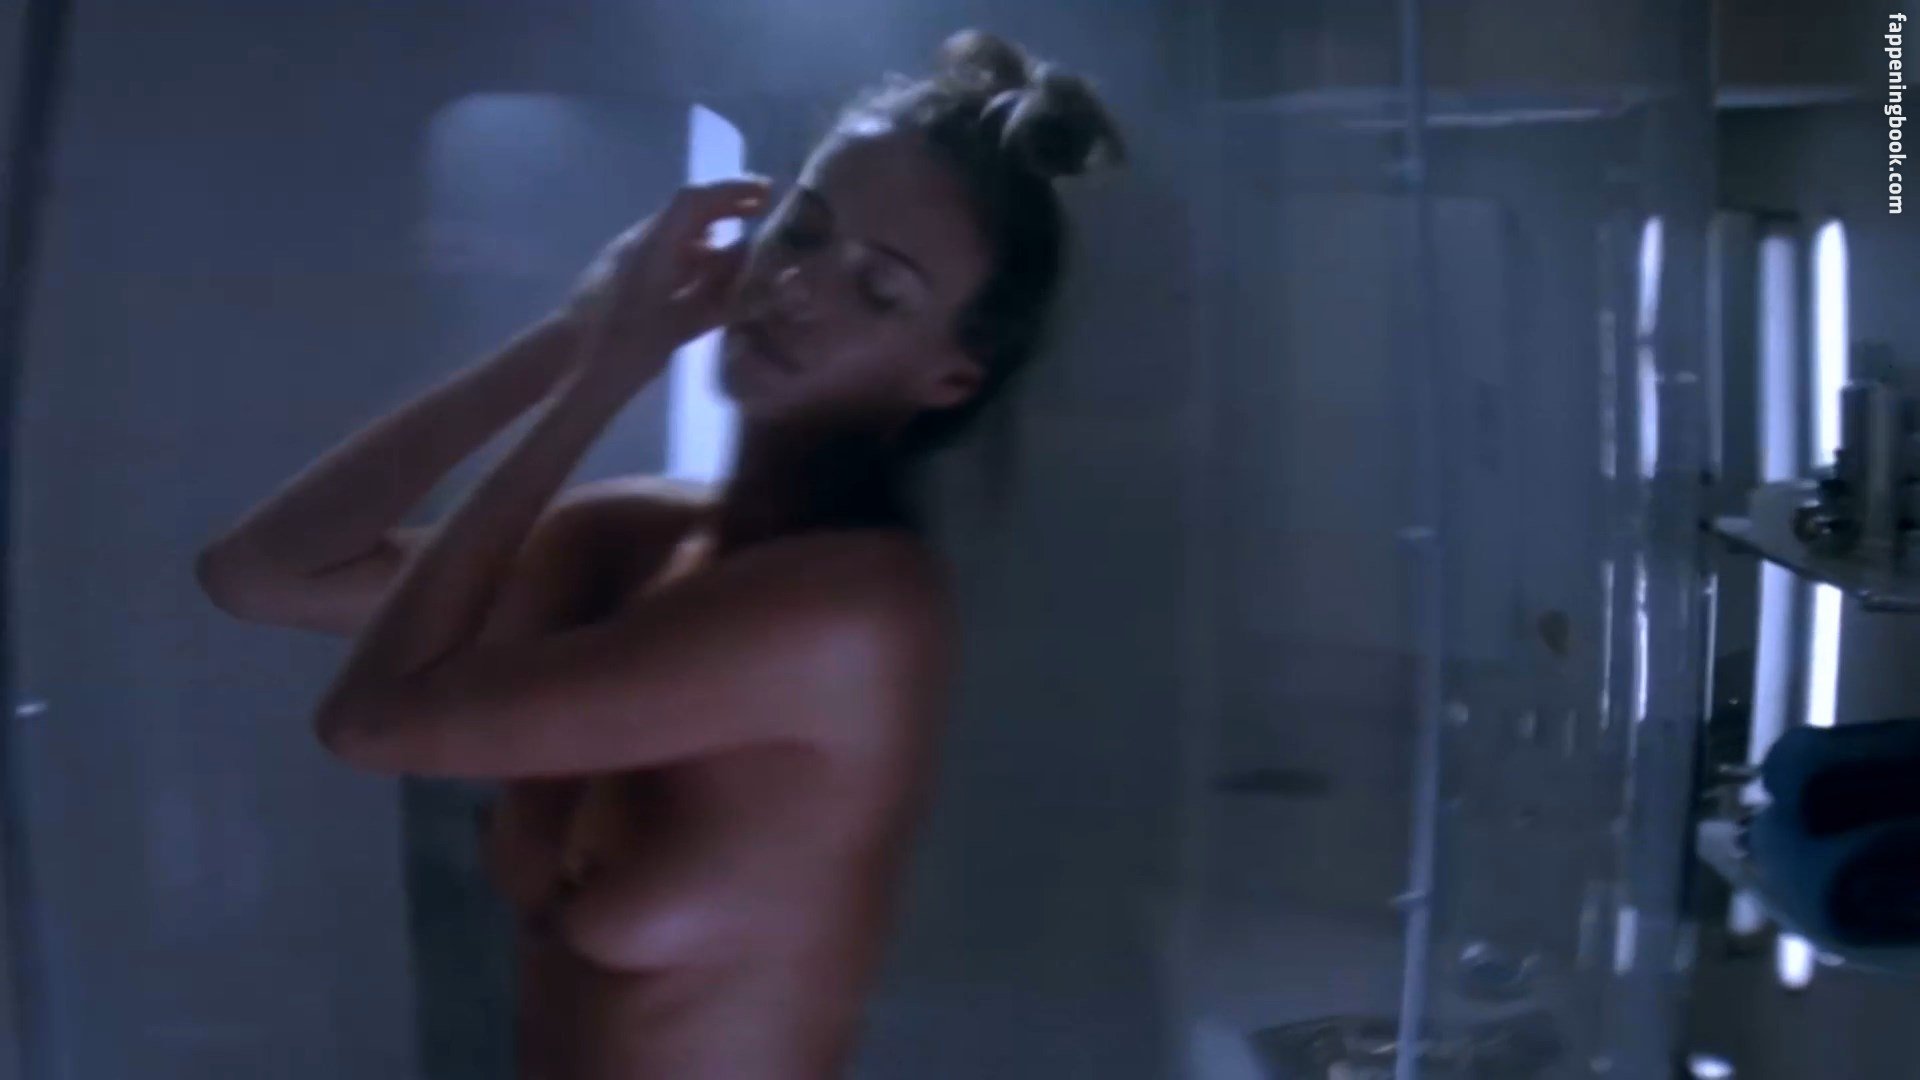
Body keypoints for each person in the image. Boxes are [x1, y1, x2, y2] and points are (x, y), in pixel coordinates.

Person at [195, 29, 1123, 1080]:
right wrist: (573, 333)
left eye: (879, 289)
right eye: (801, 231)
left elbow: (369, 724)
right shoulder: (627, 538)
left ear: (950, 378)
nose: (798, 287)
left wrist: (606, 375)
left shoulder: (861, 614)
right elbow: (264, 574)